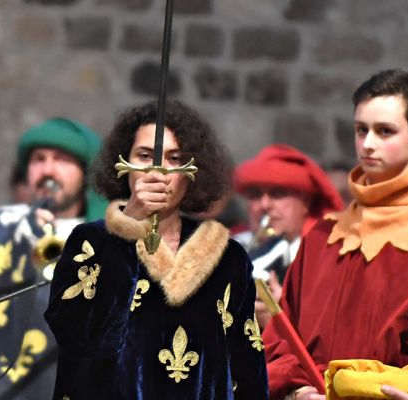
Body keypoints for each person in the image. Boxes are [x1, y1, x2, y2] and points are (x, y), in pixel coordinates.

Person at [44, 100, 269, 399]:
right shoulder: (90, 243)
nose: (158, 170)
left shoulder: (229, 257)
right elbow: (80, 339)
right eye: (145, 155)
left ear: (193, 170)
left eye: (174, 158)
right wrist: (128, 228)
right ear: (124, 164)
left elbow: (247, 366)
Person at [262, 69, 408, 399]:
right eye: (361, 130)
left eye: (384, 131)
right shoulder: (322, 237)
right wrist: (297, 391)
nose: (368, 144)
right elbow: (280, 342)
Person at [0, 117, 108, 400]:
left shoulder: (104, 236)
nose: (48, 170)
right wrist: (21, 236)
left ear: (86, 173)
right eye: (38, 159)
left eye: (62, 160)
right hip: (0, 387)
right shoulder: (0, 222)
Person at [233, 145, 343, 328]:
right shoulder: (229, 246)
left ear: (305, 202)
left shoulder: (324, 259)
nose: (265, 204)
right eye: (255, 195)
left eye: (277, 194)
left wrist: (279, 320)